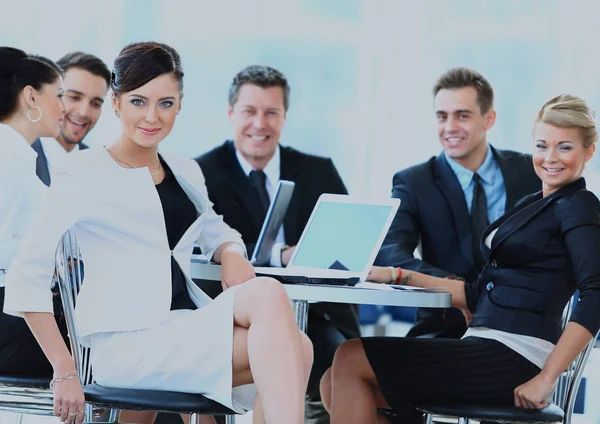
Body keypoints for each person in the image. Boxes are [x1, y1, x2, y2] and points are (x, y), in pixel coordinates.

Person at [3, 42, 313, 424]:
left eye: (165, 103)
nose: (152, 116)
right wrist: (64, 369)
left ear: (179, 104)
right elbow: (25, 275)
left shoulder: (185, 170)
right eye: (138, 102)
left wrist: (232, 251)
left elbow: (216, 228)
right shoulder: (82, 172)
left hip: (182, 326)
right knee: (279, 318)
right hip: (126, 343)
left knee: (300, 345)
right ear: (115, 103)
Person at [321, 94, 600, 424]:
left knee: (351, 358)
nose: (550, 157)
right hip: (485, 343)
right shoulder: (533, 203)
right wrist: (394, 274)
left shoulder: (578, 205)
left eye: (564, 147)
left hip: (515, 356)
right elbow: (473, 293)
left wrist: (547, 377)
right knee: (332, 383)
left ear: (589, 152)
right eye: (542, 145)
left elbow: (596, 292)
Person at [195, 64, 359, 424]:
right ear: (230, 114)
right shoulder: (202, 173)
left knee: (347, 362)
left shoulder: (318, 171)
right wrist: (278, 254)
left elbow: (345, 247)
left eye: (272, 112)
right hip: (235, 318)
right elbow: (203, 245)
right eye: (249, 111)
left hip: (316, 315)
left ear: (285, 117)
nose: (260, 123)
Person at [375, 67, 540, 338]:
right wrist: (453, 287)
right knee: (348, 360)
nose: (449, 127)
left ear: (489, 119)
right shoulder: (414, 182)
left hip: (519, 325)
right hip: (445, 324)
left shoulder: (529, 171)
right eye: (442, 116)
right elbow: (389, 250)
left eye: (462, 116)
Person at [0, 46, 67, 375]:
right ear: (31, 97)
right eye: (59, 95)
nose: (64, 108)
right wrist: (53, 253)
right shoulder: (8, 154)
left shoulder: (16, 154)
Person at [31, 51, 111, 185]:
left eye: (95, 104)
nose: (84, 112)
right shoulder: (15, 156)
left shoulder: (102, 170)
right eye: (74, 97)